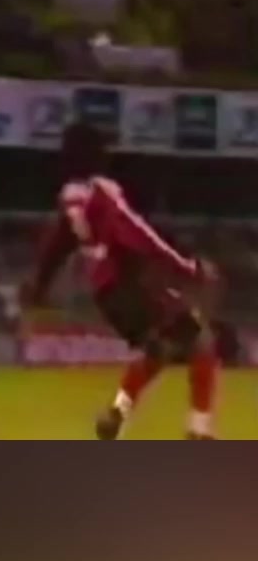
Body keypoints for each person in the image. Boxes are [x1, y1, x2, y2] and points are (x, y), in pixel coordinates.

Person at [22, 123, 220, 441]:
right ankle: (199, 429)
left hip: (105, 292)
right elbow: (138, 233)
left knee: (157, 350)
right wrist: (187, 267)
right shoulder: (103, 191)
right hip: (130, 279)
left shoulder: (69, 199)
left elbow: (55, 247)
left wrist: (39, 286)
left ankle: (118, 411)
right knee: (201, 340)